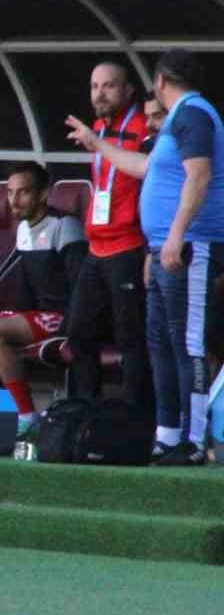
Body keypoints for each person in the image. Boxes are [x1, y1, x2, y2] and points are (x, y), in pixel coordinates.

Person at [72, 50, 224, 465]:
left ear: (159, 81)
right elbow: (144, 167)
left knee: (188, 342)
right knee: (159, 341)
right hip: (162, 248)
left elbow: (199, 176)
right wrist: (96, 142)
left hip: (189, 245)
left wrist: (175, 235)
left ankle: (193, 441)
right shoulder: (177, 119)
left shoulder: (193, 114)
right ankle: (167, 434)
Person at [0, 163, 87, 436]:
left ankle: (26, 415)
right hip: (36, 317)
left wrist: (70, 330)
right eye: (10, 192)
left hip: (62, 316)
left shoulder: (64, 225)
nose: (14, 200)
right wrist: (15, 320)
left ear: (43, 194)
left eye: (23, 192)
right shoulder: (23, 228)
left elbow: (82, 287)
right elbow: (26, 289)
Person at [63, 61, 150, 408]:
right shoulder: (98, 126)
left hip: (128, 246)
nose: (99, 94)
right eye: (94, 86)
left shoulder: (143, 127)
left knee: (131, 336)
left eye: (109, 86)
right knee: (79, 332)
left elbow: (147, 171)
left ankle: (135, 415)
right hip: (96, 247)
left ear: (128, 91)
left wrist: (97, 143)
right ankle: (86, 411)